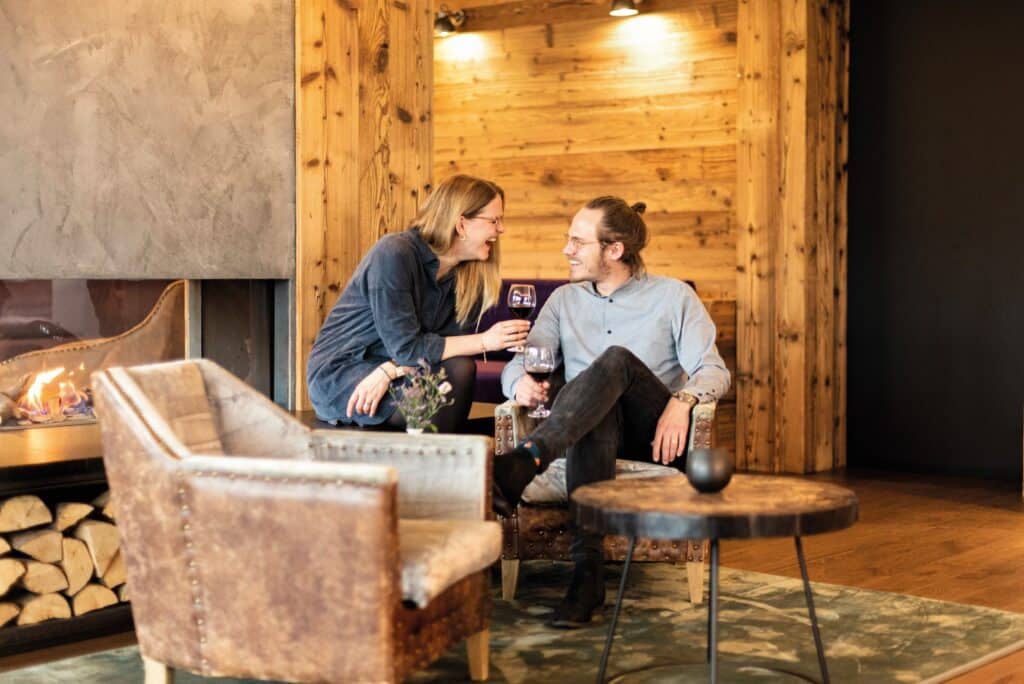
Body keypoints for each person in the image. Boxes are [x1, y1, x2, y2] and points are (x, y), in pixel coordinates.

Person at [496, 196, 731, 628]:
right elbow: (520, 363)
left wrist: (684, 401)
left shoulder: (673, 296)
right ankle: (587, 578)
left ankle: (526, 458)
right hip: (587, 431)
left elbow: (714, 369)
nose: (567, 250)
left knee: (615, 360)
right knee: (594, 406)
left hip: (655, 436)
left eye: (577, 242)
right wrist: (520, 384)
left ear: (614, 250)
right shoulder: (562, 301)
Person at [307, 174, 530, 431]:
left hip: (398, 372)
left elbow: (444, 354)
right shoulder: (395, 253)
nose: (500, 229)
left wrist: (390, 371)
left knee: (460, 368)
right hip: (347, 373)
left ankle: (437, 458)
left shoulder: (469, 278)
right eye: (494, 220)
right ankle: (440, 460)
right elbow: (407, 349)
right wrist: (484, 341)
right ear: (461, 225)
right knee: (450, 381)